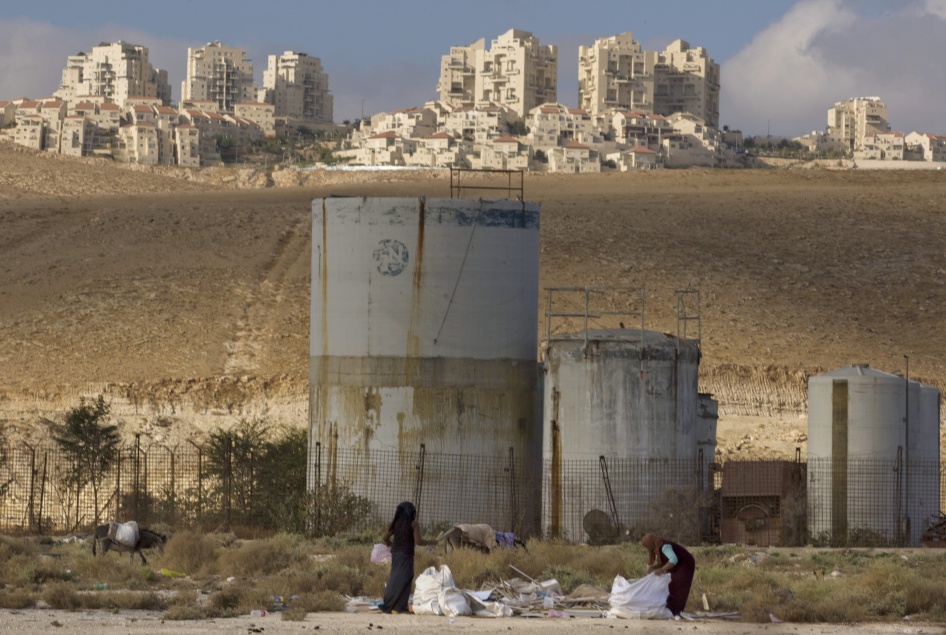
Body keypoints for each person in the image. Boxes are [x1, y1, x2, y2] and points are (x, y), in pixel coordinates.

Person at [378, 501, 435, 614]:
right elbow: (418, 541)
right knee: (405, 578)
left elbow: (384, 537)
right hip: (407, 554)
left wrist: (391, 544)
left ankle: (392, 603)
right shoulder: (413, 524)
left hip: (396, 554)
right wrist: (430, 542)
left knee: (395, 577)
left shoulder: (396, 523)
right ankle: (397, 605)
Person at [641, 533, 695, 617]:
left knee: (679, 585)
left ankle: (676, 611)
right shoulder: (658, 548)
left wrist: (662, 570)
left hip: (685, 564)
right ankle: (672, 610)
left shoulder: (665, 547)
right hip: (678, 565)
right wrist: (654, 568)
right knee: (671, 585)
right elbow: (665, 562)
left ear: (651, 543)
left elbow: (673, 559)